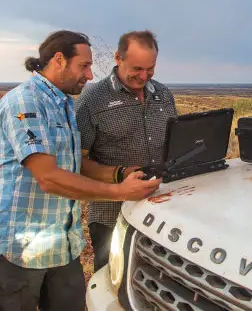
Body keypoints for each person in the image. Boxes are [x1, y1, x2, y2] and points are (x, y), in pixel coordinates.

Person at [0, 30, 161, 311]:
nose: (89, 75)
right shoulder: (26, 102)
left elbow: (74, 165)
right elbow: (48, 177)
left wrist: (119, 174)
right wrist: (118, 192)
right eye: (83, 66)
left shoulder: (62, 104)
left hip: (60, 244)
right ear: (59, 60)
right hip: (18, 246)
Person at [75, 29, 177, 272]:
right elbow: (77, 161)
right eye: (137, 69)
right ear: (118, 58)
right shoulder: (92, 99)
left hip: (162, 211)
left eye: (150, 68)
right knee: (113, 280)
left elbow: (174, 144)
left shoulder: (164, 94)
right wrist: (120, 175)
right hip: (112, 216)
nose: (144, 76)